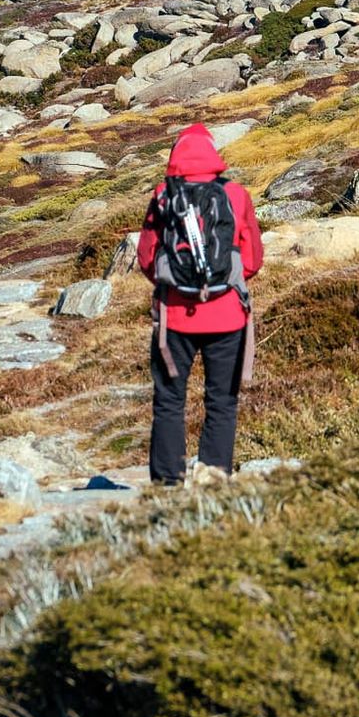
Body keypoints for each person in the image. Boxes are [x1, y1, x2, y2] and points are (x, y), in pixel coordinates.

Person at [136, 122, 264, 486]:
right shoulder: (236, 194)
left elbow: (147, 256)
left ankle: (168, 482)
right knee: (222, 401)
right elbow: (252, 258)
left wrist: (176, 287)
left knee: (169, 401)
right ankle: (213, 475)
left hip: (175, 318)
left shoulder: (163, 196)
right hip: (228, 317)